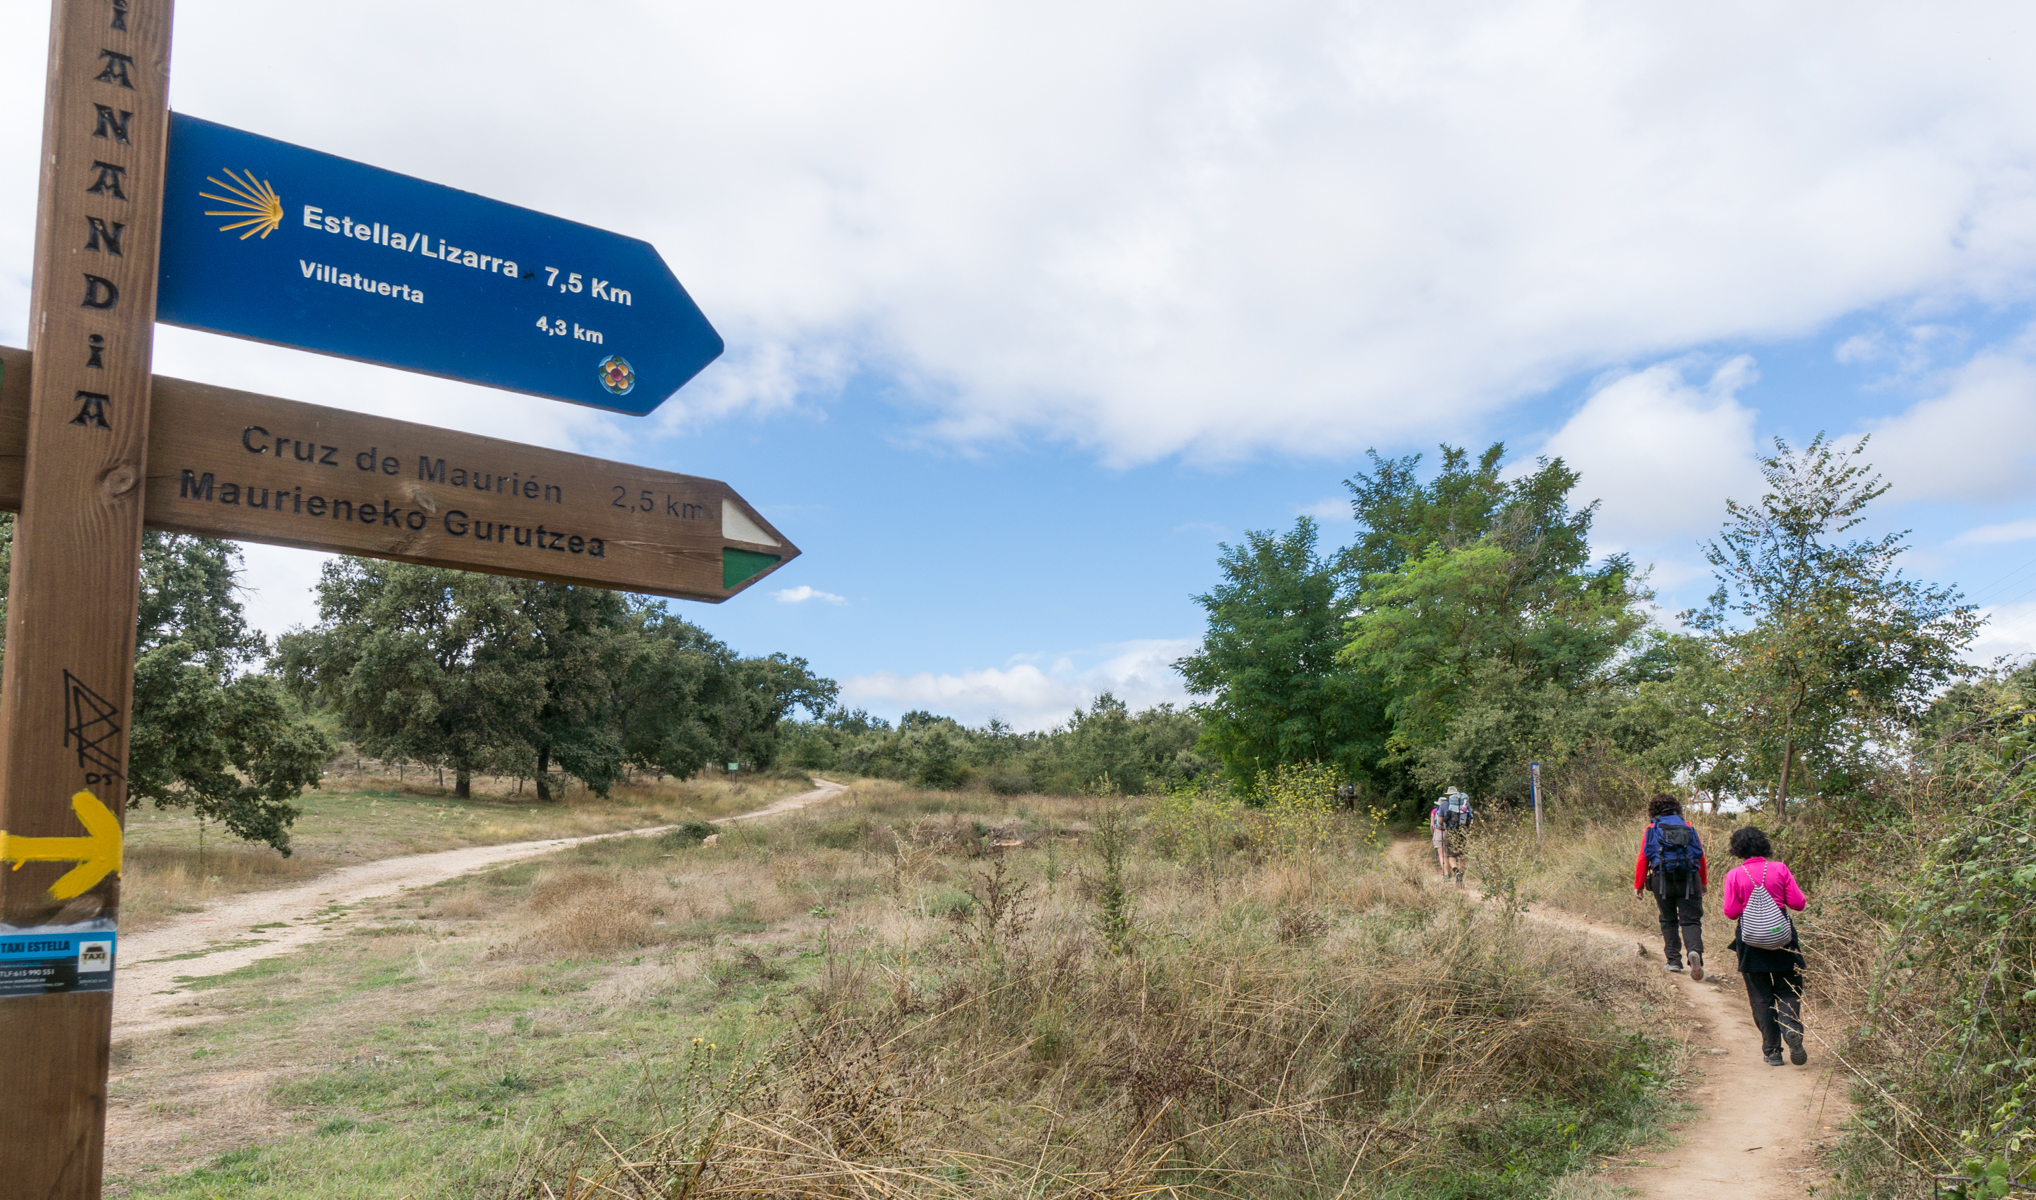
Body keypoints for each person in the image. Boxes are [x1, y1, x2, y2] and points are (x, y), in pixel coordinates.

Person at [1721, 825, 1810, 1067]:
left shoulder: (1734, 875)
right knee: (1789, 987)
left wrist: (1751, 906)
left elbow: (1730, 912)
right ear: (1764, 845)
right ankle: (1791, 1026)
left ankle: (1772, 1051)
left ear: (1737, 849)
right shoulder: (1780, 869)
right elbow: (1798, 903)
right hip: (1782, 937)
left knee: (1760, 996)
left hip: (1750, 941)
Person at [1632, 794, 1708, 980]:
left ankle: (1674, 961)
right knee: (1690, 921)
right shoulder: (1688, 826)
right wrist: (1703, 881)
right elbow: (1700, 857)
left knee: (1668, 920)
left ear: (1654, 810)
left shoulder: (1651, 828)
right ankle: (1694, 952)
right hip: (1689, 879)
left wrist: (1639, 884)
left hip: (1661, 880)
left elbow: (1644, 858)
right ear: (1676, 808)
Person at [1430, 787, 1473, 882]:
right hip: (1463, 832)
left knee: (1451, 856)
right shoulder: (1465, 803)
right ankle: (1461, 874)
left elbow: (1440, 822)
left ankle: (1456, 872)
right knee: (1462, 855)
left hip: (1451, 832)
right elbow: (1471, 818)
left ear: (1448, 795)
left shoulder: (1444, 804)